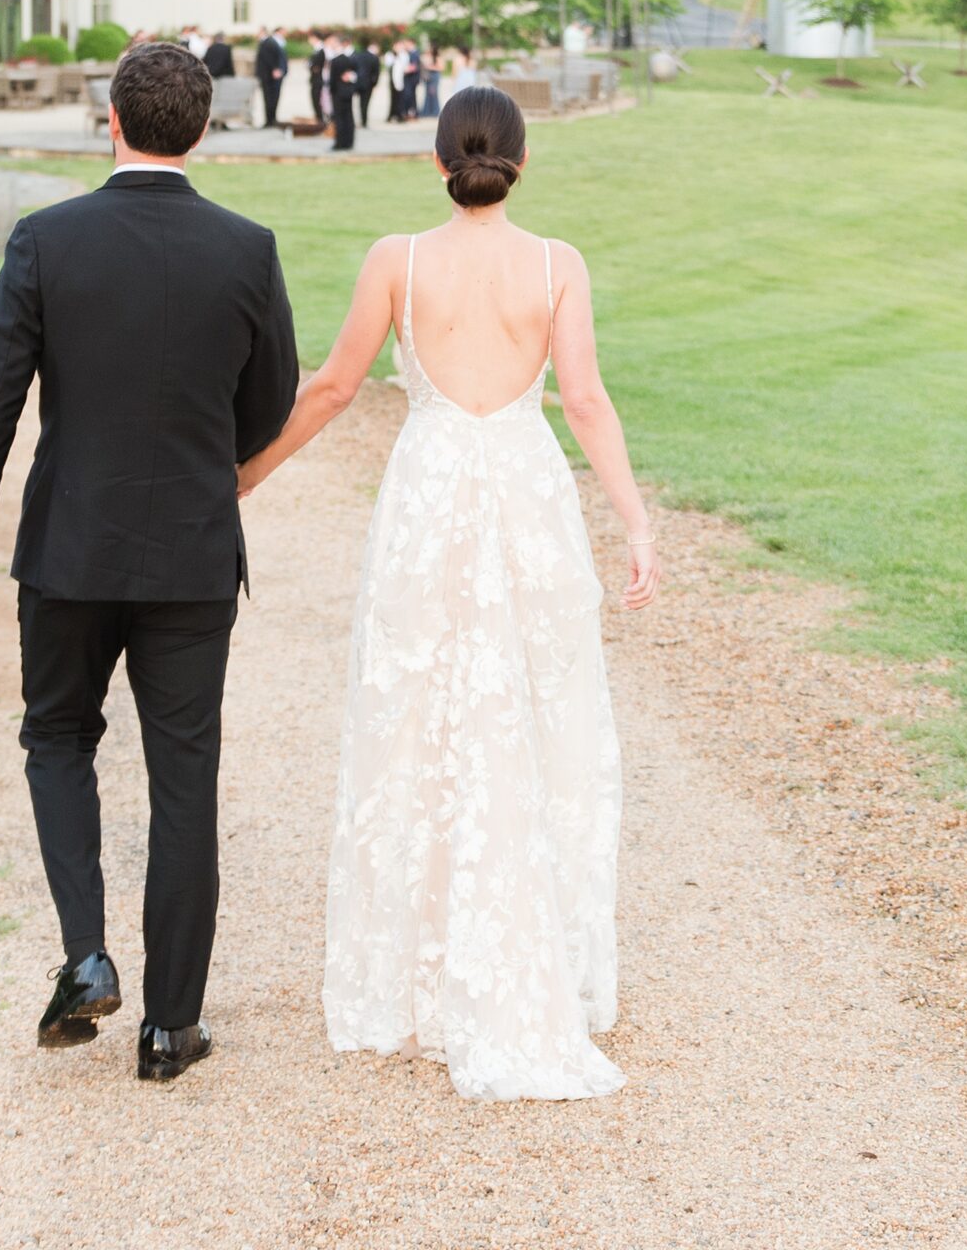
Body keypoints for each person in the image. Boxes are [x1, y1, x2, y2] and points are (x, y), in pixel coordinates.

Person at [238, 86, 658, 1101]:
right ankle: (534, 953)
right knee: (537, 709)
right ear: (521, 164)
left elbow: (333, 387)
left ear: (435, 161)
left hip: (427, 491)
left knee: (414, 714)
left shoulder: (399, 258)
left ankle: (417, 969)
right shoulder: (558, 264)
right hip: (524, 487)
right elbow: (584, 401)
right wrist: (634, 520)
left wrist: (246, 473)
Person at [0, 43, 298, 1083]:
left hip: (67, 549)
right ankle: (170, 1027)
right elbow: (268, 401)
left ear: (111, 121)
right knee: (185, 777)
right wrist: (204, 456)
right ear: (204, 125)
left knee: (56, 735)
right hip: (189, 552)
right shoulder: (245, 247)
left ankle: (87, 954)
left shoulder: (47, 240)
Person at [323, 32, 359, 153]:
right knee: (348, 117)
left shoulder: (336, 61)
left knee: (339, 118)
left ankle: (340, 142)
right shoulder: (349, 59)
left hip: (338, 93)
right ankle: (349, 141)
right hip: (347, 92)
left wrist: (331, 90)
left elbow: (332, 80)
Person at [254, 26, 289, 128]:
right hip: (268, 76)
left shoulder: (268, 43)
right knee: (270, 98)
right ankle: (271, 119)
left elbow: (271, 58)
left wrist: (276, 69)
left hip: (269, 76)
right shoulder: (269, 42)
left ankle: (270, 120)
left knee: (270, 98)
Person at [352, 37, 381, 127]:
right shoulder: (374, 58)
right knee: (365, 104)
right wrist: (374, 84)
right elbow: (376, 73)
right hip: (368, 84)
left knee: (353, 103)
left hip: (356, 82)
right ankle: (364, 121)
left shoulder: (356, 55)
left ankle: (353, 120)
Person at [306, 32, 328, 129]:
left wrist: (311, 66)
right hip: (314, 79)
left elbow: (316, 67)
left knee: (318, 101)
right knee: (315, 100)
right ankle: (319, 119)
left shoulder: (321, 50)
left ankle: (321, 121)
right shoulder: (317, 50)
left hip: (318, 80)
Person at [418, 40, 442, 119]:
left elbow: (441, 67)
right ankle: (427, 111)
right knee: (427, 94)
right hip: (428, 76)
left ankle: (435, 111)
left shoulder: (438, 57)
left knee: (433, 93)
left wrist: (429, 67)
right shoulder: (427, 56)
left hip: (434, 76)